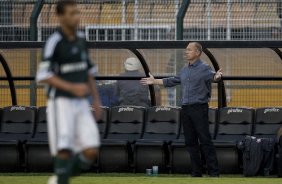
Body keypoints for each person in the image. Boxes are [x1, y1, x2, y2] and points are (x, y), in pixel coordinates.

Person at [36, 1, 101, 184]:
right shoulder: (54, 42)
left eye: (77, 12)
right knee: (64, 149)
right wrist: (72, 87)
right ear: (61, 16)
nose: (77, 16)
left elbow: (89, 71)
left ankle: (58, 179)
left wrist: (96, 100)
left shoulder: (81, 39)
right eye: (72, 13)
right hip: (61, 102)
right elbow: (44, 75)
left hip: (81, 103)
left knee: (91, 150)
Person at [141, 42, 222, 177]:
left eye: (189, 50)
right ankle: (196, 172)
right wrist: (154, 81)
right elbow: (173, 80)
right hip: (186, 109)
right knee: (190, 141)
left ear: (197, 53)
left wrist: (217, 77)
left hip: (199, 108)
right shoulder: (184, 70)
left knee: (205, 140)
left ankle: (214, 173)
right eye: (186, 50)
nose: (186, 52)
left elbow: (214, 77)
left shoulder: (205, 68)